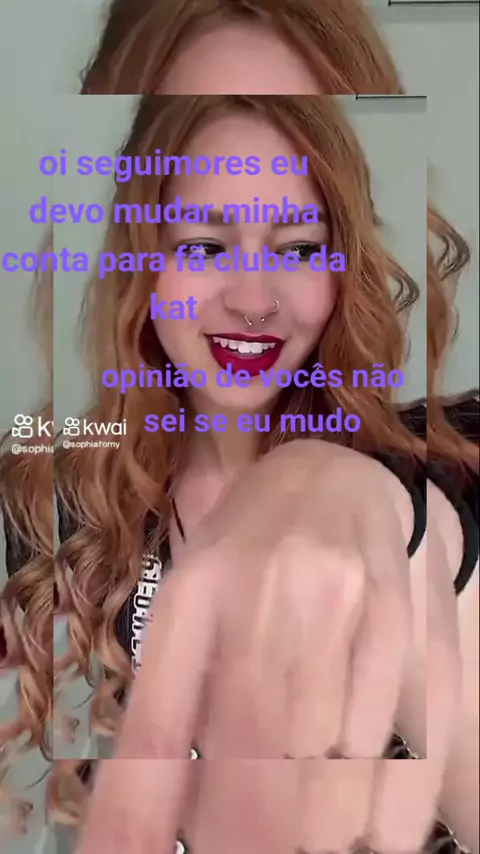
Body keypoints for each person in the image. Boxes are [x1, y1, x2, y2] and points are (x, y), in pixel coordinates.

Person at [29, 94, 472, 852]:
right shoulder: (53, 506)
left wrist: (390, 512)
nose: (254, 302)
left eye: (298, 250)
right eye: (205, 247)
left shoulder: (441, 473)